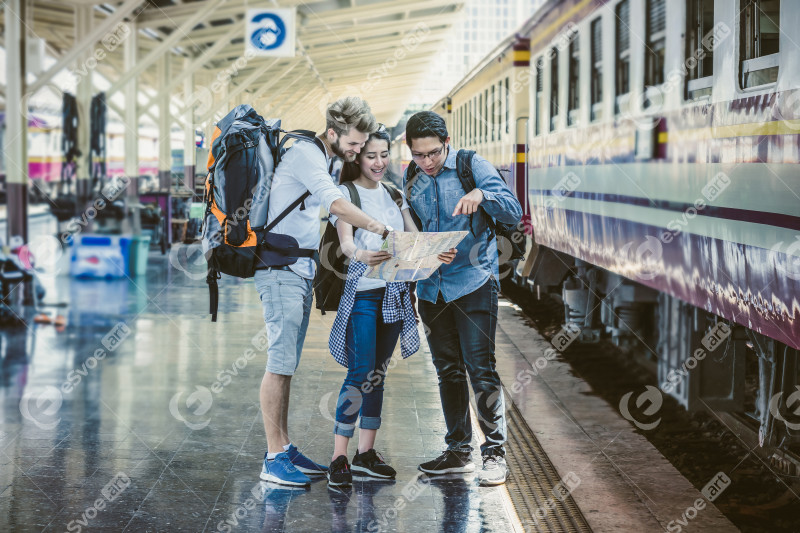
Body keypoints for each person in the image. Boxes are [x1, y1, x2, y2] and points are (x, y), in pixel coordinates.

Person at [257, 97, 395, 487]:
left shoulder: (324, 156)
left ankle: (284, 447)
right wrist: (382, 229)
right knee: (279, 363)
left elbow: (332, 212)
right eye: (353, 144)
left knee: (288, 365)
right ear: (332, 133)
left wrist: (354, 247)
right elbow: (335, 203)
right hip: (279, 268)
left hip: (298, 268)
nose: (356, 152)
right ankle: (272, 457)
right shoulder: (306, 154)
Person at [325, 125, 456, 487]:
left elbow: (412, 240)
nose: (380, 162)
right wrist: (360, 254)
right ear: (357, 157)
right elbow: (347, 243)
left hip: (394, 294)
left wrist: (434, 251)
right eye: (371, 156)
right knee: (359, 373)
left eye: (384, 155)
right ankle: (339, 458)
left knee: (378, 376)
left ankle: (365, 454)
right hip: (363, 295)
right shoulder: (345, 193)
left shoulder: (395, 193)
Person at [403, 111, 522, 486]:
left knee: (480, 368)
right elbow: (411, 232)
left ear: (447, 142)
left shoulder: (472, 165)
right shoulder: (411, 176)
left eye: (434, 153)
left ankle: (495, 455)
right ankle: (458, 450)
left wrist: (483, 193)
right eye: (419, 155)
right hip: (431, 286)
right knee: (447, 370)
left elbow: (514, 212)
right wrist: (423, 253)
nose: (428, 162)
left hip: (473, 282)